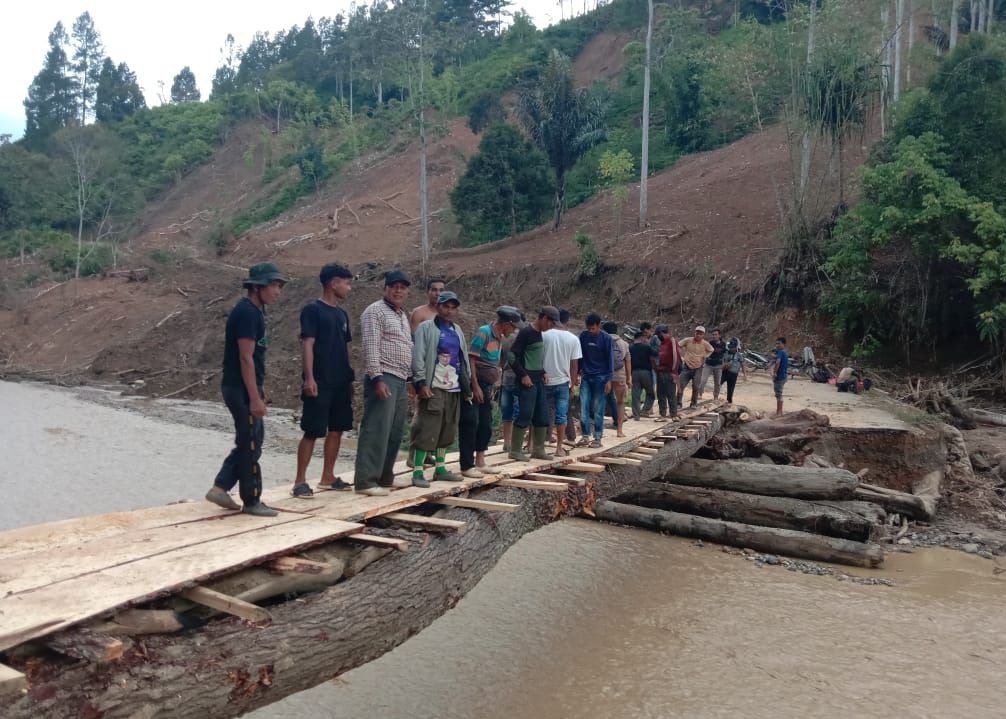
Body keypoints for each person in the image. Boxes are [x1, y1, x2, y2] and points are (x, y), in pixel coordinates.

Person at [205, 262, 287, 517]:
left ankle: (220, 487)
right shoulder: (247, 313)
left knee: (251, 440)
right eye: (274, 285)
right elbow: (245, 358)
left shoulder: (257, 312)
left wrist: (259, 390)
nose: (278, 291)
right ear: (257, 286)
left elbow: (255, 358)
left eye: (279, 286)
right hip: (239, 389)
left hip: (246, 388)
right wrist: (253, 398)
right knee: (251, 443)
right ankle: (252, 500)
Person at [292, 263, 355, 498]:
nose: (349, 288)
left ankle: (328, 476)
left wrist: (348, 380)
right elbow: (307, 344)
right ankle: (299, 481)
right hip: (320, 380)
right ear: (333, 283)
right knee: (312, 430)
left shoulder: (342, 314)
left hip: (340, 381)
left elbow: (343, 348)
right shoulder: (312, 310)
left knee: (337, 429)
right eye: (346, 283)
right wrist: (309, 378)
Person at [354, 270, 414, 497]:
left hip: (399, 378)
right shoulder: (375, 311)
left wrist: (409, 378)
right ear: (386, 288)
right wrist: (377, 378)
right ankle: (366, 481)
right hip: (383, 376)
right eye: (394, 286)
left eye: (403, 287)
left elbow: (405, 345)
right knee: (376, 427)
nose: (399, 291)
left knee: (395, 431)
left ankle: (385, 477)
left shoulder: (401, 315)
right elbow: (370, 346)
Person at [410, 291, 472, 487]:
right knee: (428, 427)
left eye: (453, 307)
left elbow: (463, 359)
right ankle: (418, 471)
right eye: (446, 306)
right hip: (434, 386)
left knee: (447, 428)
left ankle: (440, 468)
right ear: (438, 307)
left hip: (454, 387)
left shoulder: (457, 330)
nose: (449, 311)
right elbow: (418, 355)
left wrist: (466, 384)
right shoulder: (426, 328)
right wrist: (420, 382)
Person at [459, 306, 520, 478]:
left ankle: (480, 461)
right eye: (513, 327)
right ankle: (466, 464)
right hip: (476, 386)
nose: (514, 330)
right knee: (471, 423)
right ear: (506, 324)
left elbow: (495, 361)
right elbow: (471, 359)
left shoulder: (500, 337)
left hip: (487, 387)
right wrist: (475, 385)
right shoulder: (484, 333)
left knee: (485, 423)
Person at [508, 306, 560, 461]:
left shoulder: (539, 334)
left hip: (538, 380)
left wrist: (543, 371)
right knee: (525, 413)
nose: (550, 327)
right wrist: (523, 375)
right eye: (550, 323)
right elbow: (512, 356)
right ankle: (515, 450)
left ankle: (538, 449)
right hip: (527, 382)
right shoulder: (526, 332)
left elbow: (535, 358)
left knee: (542, 415)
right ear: (543, 318)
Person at [543, 309, 582, 456]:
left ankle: (540, 445)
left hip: (545, 381)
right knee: (562, 416)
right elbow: (574, 366)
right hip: (563, 383)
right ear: (566, 321)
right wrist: (572, 385)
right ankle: (559, 448)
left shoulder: (543, 336)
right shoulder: (573, 339)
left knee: (543, 413)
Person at [577, 312, 614, 448]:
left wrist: (609, 379)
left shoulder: (606, 339)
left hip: (601, 377)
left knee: (598, 408)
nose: (591, 331)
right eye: (589, 328)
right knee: (584, 406)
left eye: (593, 328)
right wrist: (576, 373)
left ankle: (597, 437)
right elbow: (579, 356)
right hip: (586, 376)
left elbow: (610, 360)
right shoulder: (584, 336)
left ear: (599, 326)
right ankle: (585, 436)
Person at [499, 312, 524, 452]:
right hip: (519, 378)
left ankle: (507, 442)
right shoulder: (522, 338)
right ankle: (516, 443)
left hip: (506, 377)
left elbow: (501, 361)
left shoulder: (504, 339)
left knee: (506, 411)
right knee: (518, 411)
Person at [603, 320, 630, 437]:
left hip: (605, 375)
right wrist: (629, 378)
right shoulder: (624, 344)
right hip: (620, 375)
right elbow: (628, 361)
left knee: (600, 401)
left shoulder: (602, 341)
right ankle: (619, 431)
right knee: (620, 402)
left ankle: (599, 432)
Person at [678, 326, 714, 409]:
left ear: (703, 335)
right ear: (695, 332)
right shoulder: (688, 340)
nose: (698, 335)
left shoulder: (705, 343)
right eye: (697, 333)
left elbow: (711, 350)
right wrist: (682, 356)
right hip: (686, 366)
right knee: (681, 385)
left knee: (696, 386)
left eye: (700, 334)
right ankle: (678, 403)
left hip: (698, 368)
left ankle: (693, 403)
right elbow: (678, 345)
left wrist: (705, 356)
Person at [654, 324, 681, 419]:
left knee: (671, 394)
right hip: (660, 371)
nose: (657, 337)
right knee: (661, 394)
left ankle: (673, 414)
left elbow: (676, 357)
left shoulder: (671, 341)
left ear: (661, 333)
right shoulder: (662, 343)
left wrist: (674, 371)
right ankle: (662, 414)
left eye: (658, 335)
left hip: (669, 372)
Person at [629, 331, 656, 419]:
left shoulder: (630, 348)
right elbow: (656, 354)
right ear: (641, 338)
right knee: (650, 393)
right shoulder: (646, 347)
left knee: (635, 394)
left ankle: (636, 415)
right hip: (646, 372)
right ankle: (644, 411)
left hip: (634, 373)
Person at [701, 327, 727, 400]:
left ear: (719, 335)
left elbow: (725, 354)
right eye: (713, 334)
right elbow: (704, 352)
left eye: (715, 334)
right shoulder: (710, 343)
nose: (714, 336)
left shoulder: (723, 344)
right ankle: (699, 395)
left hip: (718, 366)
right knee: (703, 381)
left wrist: (724, 363)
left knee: (718, 383)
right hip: (708, 365)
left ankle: (715, 397)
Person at [721, 337, 747, 404]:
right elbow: (721, 362)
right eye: (730, 347)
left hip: (733, 374)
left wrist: (744, 374)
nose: (731, 349)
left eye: (733, 347)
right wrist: (724, 365)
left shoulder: (739, 355)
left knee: (730, 389)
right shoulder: (726, 353)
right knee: (718, 384)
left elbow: (742, 364)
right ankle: (715, 398)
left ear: (736, 347)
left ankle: (729, 402)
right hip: (725, 372)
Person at [772, 336, 789, 416]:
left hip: (780, 376)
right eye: (776, 343)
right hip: (784, 375)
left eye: (779, 343)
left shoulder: (781, 352)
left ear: (783, 344)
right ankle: (779, 412)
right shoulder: (784, 352)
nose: (777, 345)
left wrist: (774, 373)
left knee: (778, 394)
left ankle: (779, 412)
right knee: (779, 393)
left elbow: (778, 362)